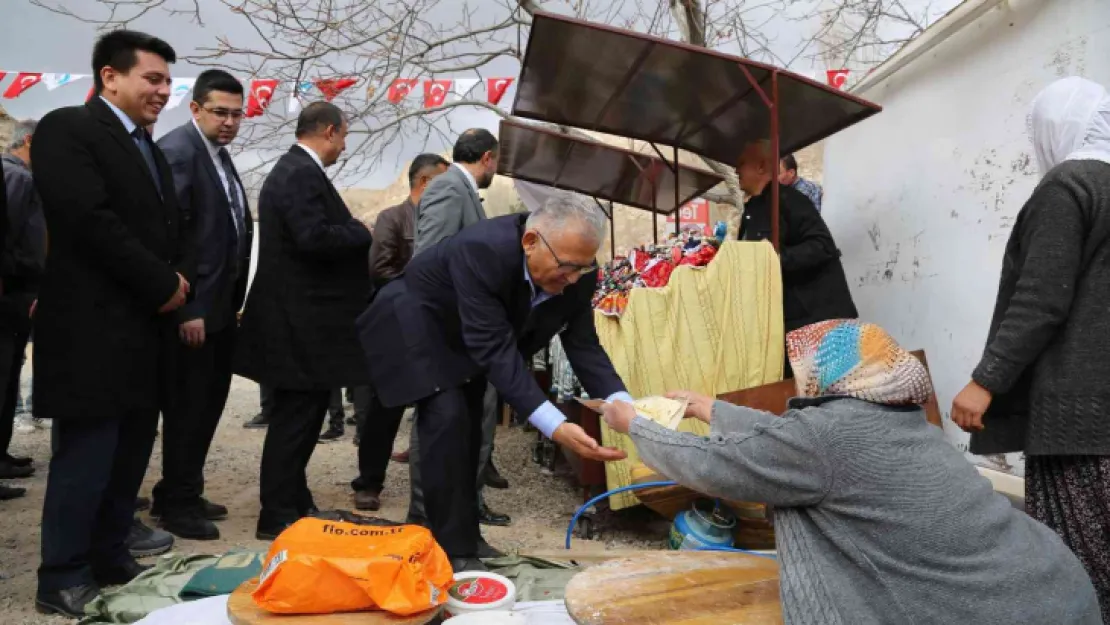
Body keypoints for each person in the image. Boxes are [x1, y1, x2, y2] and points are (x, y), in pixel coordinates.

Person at [603, 319, 1103, 624]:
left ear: (825, 378)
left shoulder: (827, 439)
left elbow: (718, 466)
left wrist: (635, 426)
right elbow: (789, 445)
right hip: (1052, 587)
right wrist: (709, 408)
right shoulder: (903, 422)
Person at [357, 197, 630, 572]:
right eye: (566, 267)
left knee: (470, 434)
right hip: (419, 324)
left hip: (467, 338)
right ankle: (447, 551)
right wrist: (556, 425)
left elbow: (582, 341)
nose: (571, 279)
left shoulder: (579, 269)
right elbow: (495, 350)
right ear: (530, 241)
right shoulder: (482, 249)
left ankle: (466, 539)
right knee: (446, 421)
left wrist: (620, 400)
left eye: (581, 269)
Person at [32, 30, 191, 617]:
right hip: (90, 332)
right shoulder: (67, 129)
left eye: (168, 81)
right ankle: (62, 575)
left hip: (141, 334)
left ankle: (109, 553)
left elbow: (159, 230)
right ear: (110, 78)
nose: (163, 91)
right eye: (152, 79)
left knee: (128, 454)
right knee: (86, 459)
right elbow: (89, 220)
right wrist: (162, 283)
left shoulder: (146, 146)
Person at [951, 76, 1110, 621]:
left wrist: (986, 380)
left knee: (1078, 569)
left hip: (1079, 426)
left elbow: (1042, 298)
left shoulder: (1069, 188)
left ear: (1056, 128)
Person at [234, 101, 372, 540]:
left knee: (306, 419)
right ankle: (276, 514)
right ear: (329, 131)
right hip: (296, 327)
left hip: (305, 326)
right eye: (344, 137)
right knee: (294, 422)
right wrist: (360, 230)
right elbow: (312, 238)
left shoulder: (298, 172)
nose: (344, 147)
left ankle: (295, 500)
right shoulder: (297, 173)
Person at [149, 69, 253, 541]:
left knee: (206, 405)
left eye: (237, 113)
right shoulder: (178, 152)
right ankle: (177, 504)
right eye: (220, 112)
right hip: (191, 312)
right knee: (188, 408)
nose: (230, 121)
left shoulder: (218, 154)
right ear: (195, 109)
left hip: (219, 310)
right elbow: (171, 240)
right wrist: (188, 307)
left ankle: (183, 487)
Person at [406, 129, 512, 527]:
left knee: (474, 421)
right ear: (488, 158)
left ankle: (465, 508)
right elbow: (429, 261)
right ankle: (425, 515)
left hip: (467, 331)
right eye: (497, 162)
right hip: (449, 331)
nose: (495, 170)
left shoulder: (461, 191)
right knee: (438, 422)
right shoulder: (449, 190)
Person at [352, 152, 448, 511]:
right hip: (396, 324)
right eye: (443, 182)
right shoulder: (392, 218)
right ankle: (368, 483)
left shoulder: (445, 219)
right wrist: (422, 289)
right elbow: (379, 269)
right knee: (384, 407)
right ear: (424, 182)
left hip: (434, 326)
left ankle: (429, 490)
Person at [737, 140, 856, 375]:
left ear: (761, 167)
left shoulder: (790, 201)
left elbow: (822, 246)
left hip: (819, 327)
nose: (735, 170)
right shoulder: (752, 211)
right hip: (787, 329)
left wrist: (773, 259)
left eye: (741, 164)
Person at [0, 119, 45, 500]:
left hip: (17, 295)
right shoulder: (17, 179)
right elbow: (10, 240)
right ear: (29, 141)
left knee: (10, 377)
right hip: (11, 296)